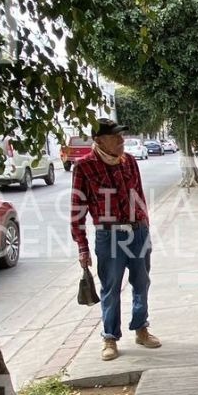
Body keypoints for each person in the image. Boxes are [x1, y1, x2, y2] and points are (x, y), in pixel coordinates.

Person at [70, 118, 160, 361]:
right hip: (108, 234)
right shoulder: (84, 167)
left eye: (122, 136)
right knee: (111, 288)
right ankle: (110, 338)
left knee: (141, 283)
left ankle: (141, 329)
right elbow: (77, 209)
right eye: (115, 137)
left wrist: (145, 225)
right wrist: (82, 247)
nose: (121, 141)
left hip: (138, 231)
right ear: (99, 141)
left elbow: (139, 194)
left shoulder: (129, 161)